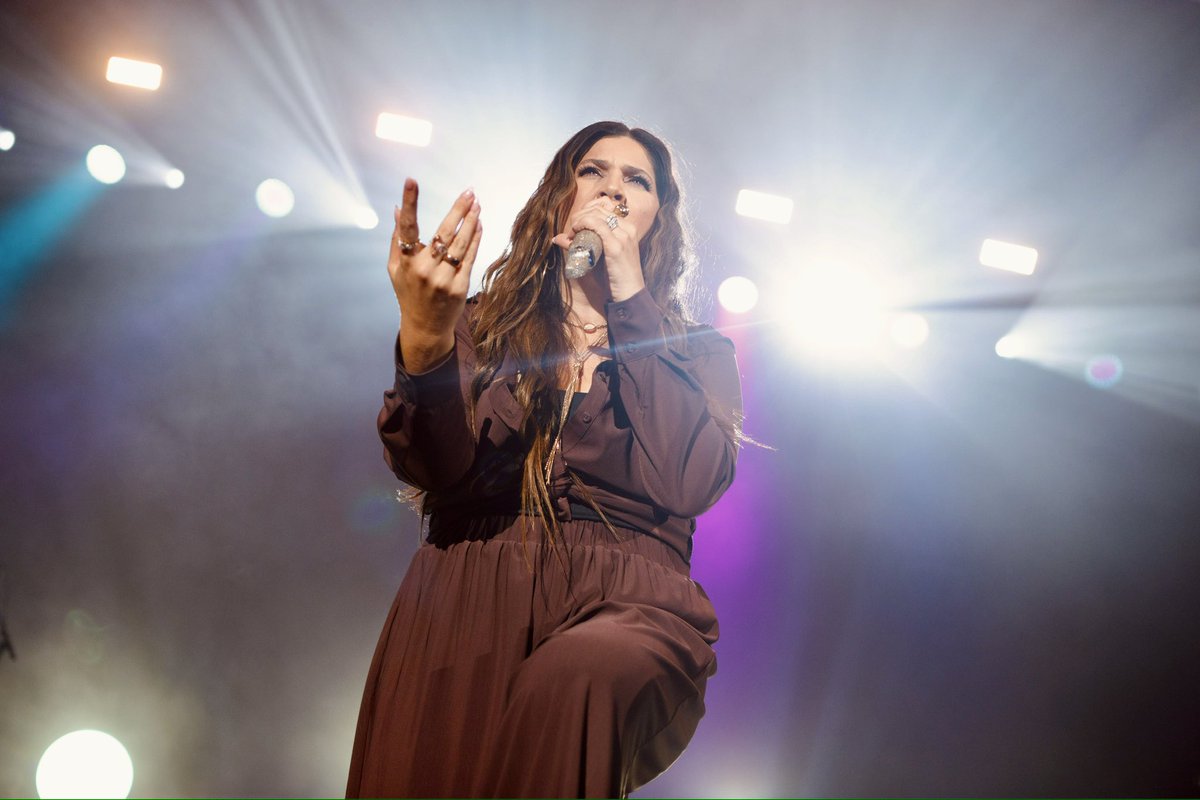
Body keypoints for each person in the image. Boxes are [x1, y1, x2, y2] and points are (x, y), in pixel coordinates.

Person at [346, 121, 742, 799]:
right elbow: (432, 469)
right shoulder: (483, 325)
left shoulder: (696, 350)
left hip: (630, 600)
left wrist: (630, 298)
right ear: (559, 198)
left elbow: (690, 479)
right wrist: (425, 336)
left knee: (577, 676)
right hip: (468, 589)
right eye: (594, 171)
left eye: (636, 180)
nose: (613, 188)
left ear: (658, 220)